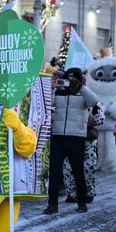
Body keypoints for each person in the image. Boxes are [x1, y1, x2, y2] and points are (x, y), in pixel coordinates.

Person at [44, 68, 99, 214]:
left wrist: (80, 87)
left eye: (74, 78)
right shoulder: (59, 92)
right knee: (54, 172)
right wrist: (52, 88)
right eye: (68, 78)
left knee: (78, 172)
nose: (70, 81)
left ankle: (82, 203)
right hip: (58, 137)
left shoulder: (83, 93)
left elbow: (94, 101)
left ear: (80, 79)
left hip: (76, 138)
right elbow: (46, 103)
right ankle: (52, 205)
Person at [63, 103, 104, 204]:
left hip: (87, 140)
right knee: (68, 168)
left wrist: (94, 110)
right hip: (70, 137)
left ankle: (88, 193)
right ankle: (72, 194)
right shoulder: (64, 96)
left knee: (88, 167)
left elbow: (100, 120)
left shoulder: (90, 100)